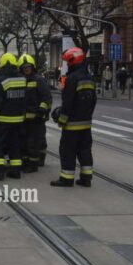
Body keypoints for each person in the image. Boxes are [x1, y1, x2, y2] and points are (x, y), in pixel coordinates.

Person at [51, 47, 97, 187]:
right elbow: (93, 101)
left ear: (72, 61)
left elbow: (68, 103)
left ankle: (66, 178)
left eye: (67, 62)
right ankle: (86, 177)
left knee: (67, 150)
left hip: (72, 124)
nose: (67, 65)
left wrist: (62, 120)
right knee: (84, 150)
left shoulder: (72, 79)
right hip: (86, 123)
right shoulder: (89, 78)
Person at [0, 53, 26, 180]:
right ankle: (15, 171)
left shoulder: (1, 81)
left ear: (2, 65)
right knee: (15, 145)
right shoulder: (23, 79)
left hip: (2, 120)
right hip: (19, 120)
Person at [19, 54, 51, 172]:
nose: (26, 69)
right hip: (23, 119)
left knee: (34, 142)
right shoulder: (20, 81)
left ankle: (33, 165)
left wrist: (41, 111)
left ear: (32, 67)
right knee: (25, 142)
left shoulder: (39, 80)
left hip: (36, 119)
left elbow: (46, 97)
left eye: (28, 67)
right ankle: (26, 162)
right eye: (24, 67)